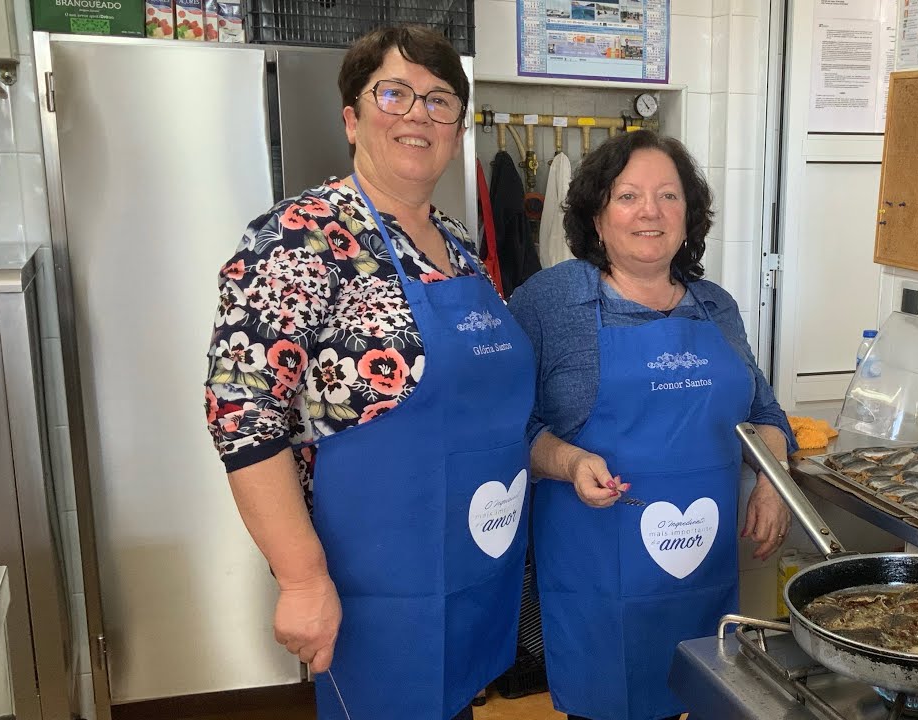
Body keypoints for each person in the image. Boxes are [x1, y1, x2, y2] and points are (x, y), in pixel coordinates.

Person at [203, 25, 534, 720]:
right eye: (395, 93)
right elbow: (242, 415)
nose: (419, 114)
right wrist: (301, 578)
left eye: (440, 100)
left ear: (456, 127)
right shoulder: (301, 236)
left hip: (465, 566)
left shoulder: (459, 246)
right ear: (352, 118)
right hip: (369, 583)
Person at [507, 130, 796, 720]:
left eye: (668, 196)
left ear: (689, 217)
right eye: (628, 196)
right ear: (596, 216)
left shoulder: (716, 306)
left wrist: (773, 478)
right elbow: (509, 427)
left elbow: (765, 414)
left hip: (701, 565)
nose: (650, 212)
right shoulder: (550, 302)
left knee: (702, 695)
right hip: (595, 573)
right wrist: (569, 461)